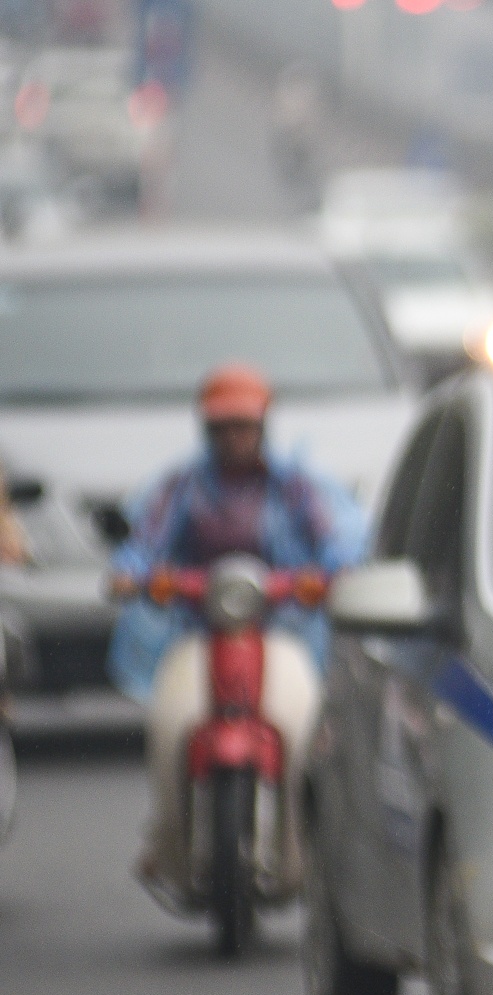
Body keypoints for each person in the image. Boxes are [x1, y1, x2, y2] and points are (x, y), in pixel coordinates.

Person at [109, 363, 367, 911]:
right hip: (200, 634)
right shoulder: (182, 487)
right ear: (207, 429)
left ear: (263, 426)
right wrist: (133, 574)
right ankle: (168, 838)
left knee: (309, 731)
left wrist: (333, 574)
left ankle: (312, 845)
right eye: (223, 427)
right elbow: (143, 543)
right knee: (169, 724)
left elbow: (339, 539)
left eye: (243, 426)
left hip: (283, 632)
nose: (234, 437)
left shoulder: (295, 485)